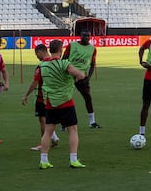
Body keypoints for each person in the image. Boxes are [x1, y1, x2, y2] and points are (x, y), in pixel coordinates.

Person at [23, 39, 87, 169]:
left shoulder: (42, 66)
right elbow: (79, 75)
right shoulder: (64, 63)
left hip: (50, 102)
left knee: (47, 132)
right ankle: (73, 159)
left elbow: (37, 82)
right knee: (72, 130)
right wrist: (80, 75)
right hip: (66, 102)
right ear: (61, 50)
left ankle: (44, 160)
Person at [23, 43, 61, 149]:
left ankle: (44, 143)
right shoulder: (56, 62)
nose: (37, 57)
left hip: (42, 96)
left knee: (42, 119)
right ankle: (53, 137)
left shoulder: (42, 65)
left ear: (40, 52)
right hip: (55, 95)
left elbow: (35, 82)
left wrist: (26, 95)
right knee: (49, 118)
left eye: (36, 54)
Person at [66, 30, 100, 128]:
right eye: (84, 36)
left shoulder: (92, 49)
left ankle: (92, 122)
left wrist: (88, 78)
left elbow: (92, 64)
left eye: (88, 36)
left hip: (82, 77)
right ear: (80, 36)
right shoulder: (72, 45)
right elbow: (64, 59)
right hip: (69, 75)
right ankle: (64, 122)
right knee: (66, 98)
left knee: (88, 98)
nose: (86, 38)